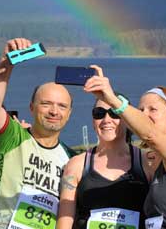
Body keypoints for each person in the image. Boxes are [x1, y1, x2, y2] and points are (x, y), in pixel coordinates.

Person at [83, 65, 166, 229]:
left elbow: (150, 135)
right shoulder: (151, 161)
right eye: (140, 110)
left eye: (152, 109)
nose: (144, 115)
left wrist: (112, 100)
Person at [0, 38, 76, 229]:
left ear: (69, 114)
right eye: (46, 104)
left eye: (62, 106)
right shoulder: (13, 137)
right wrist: (6, 64)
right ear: (32, 108)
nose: (54, 112)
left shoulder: (72, 160)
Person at [57, 87, 150, 229]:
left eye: (114, 113)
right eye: (99, 113)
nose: (106, 120)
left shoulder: (146, 162)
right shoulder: (77, 164)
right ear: (93, 122)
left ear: (128, 120)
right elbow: (64, 222)